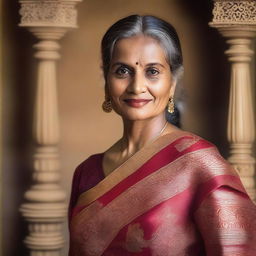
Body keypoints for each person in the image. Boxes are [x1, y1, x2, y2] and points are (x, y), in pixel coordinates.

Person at [68, 15, 256, 256]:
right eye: (122, 71)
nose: (137, 87)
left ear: (173, 82)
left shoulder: (201, 165)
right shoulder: (87, 172)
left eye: (153, 71)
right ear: (106, 80)